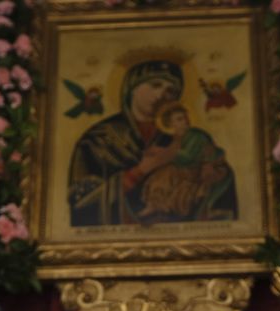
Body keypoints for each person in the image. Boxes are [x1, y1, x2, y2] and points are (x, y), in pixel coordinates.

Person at [67, 59, 237, 227]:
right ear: (132, 88)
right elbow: (80, 203)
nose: (161, 95)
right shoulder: (98, 139)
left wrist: (214, 172)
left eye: (170, 91)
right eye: (155, 85)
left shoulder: (189, 136)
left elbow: (222, 181)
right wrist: (140, 171)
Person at [137, 101, 232, 223]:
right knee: (161, 175)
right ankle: (154, 205)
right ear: (171, 123)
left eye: (186, 117)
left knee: (168, 174)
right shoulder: (176, 137)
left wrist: (164, 152)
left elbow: (188, 157)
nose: (186, 120)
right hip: (182, 169)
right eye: (180, 119)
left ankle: (161, 207)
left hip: (197, 170)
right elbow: (172, 156)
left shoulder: (197, 135)